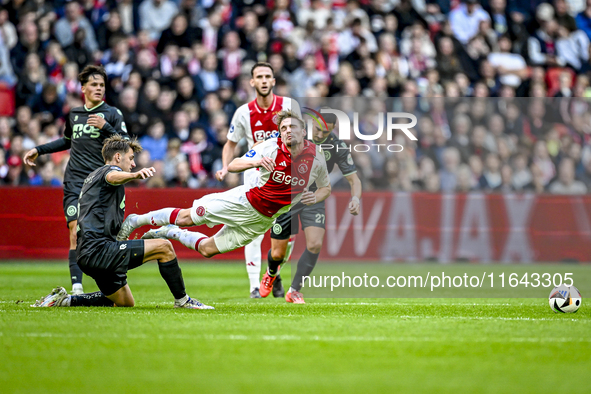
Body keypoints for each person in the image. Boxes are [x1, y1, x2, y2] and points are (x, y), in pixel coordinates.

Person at [116, 111, 331, 266]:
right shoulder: (270, 148)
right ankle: (135, 220)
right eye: (283, 128)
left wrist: (314, 196)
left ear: (303, 131)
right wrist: (254, 163)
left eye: (292, 127)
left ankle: (169, 233)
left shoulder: (316, 158)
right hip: (243, 202)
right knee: (186, 217)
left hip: (262, 221)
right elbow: (233, 165)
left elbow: (326, 188)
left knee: (207, 250)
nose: (287, 131)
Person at [32, 136, 212, 309]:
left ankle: (65, 300)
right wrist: (134, 175)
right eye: (131, 158)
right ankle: (183, 300)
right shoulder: (109, 172)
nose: (133, 164)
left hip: (88, 253)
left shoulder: (93, 177)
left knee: (125, 301)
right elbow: (112, 176)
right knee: (164, 247)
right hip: (98, 251)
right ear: (118, 157)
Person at [23, 65, 130, 295]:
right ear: (83, 88)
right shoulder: (74, 114)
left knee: (105, 234)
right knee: (75, 229)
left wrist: (106, 127)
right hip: (74, 181)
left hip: (100, 185)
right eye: (94, 84)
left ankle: (113, 281)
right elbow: (67, 141)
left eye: (102, 85)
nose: (99, 88)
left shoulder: (112, 113)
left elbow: (126, 144)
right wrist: (38, 150)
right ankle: (77, 287)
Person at [214, 62, 300, 298]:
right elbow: (231, 143)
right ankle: (254, 286)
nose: (263, 80)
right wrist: (224, 167)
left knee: (288, 233)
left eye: (267, 76)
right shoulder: (243, 112)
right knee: (253, 229)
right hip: (256, 172)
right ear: (252, 82)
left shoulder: (289, 106)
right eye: (259, 77)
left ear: (273, 81)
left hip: (287, 174)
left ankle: (274, 271)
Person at [264, 112, 362, 304]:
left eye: (325, 131)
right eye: (317, 129)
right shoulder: (296, 132)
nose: (319, 134)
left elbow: (354, 179)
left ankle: (294, 290)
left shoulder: (337, 146)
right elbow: (267, 146)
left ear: (332, 129)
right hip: (287, 196)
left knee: (315, 244)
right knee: (278, 254)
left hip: (314, 197)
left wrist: (356, 199)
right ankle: (271, 273)